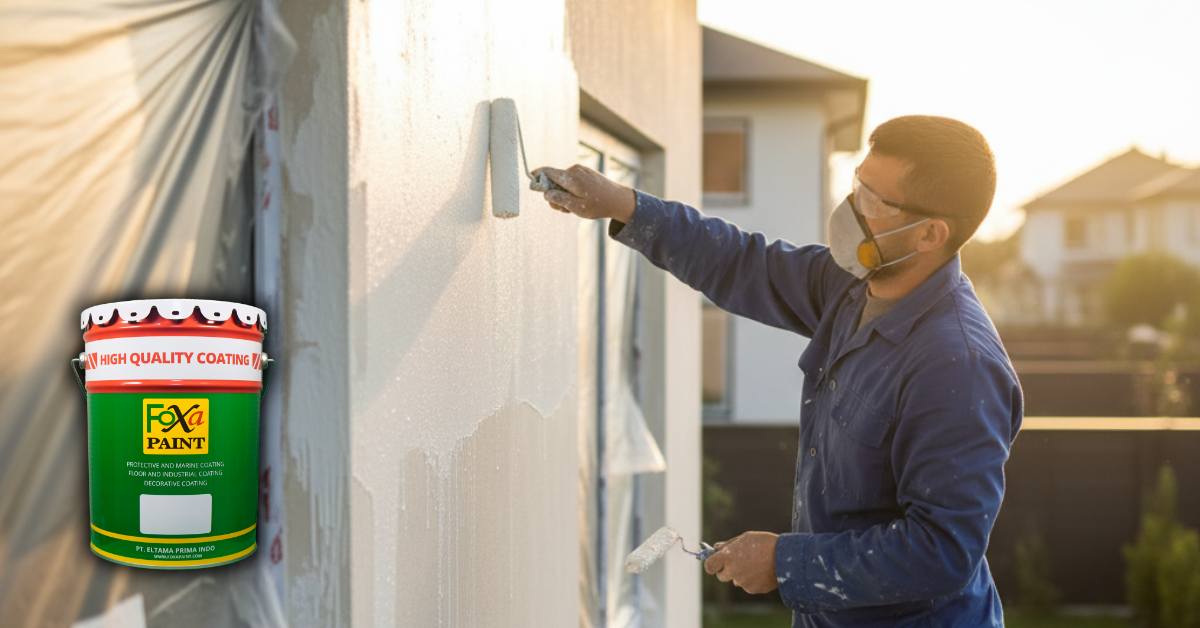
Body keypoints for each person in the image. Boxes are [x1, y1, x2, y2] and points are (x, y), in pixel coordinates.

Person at [534, 115, 1023, 627]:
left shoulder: (957, 367)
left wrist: (783, 562)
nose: (852, 208)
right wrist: (625, 206)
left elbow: (942, 552)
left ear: (929, 234)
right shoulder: (851, 286)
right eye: (858, 184)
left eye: (876, 202)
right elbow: (742, 263)